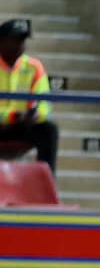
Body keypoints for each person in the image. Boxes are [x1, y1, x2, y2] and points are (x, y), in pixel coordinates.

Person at [0, 19, 57, 170]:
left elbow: (44, 101)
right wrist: (13, 115)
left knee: (48, 130)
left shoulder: (34, 67)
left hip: (22, 125)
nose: (20, 45)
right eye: (15, 40)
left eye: (23, 40)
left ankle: (46, 184)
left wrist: (37, 115)